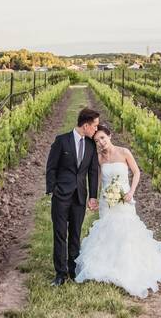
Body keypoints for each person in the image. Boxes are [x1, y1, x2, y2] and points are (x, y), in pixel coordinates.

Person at [73, 123, 161, 298]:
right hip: (108, 201)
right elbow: (98, 180)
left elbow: (137, 172)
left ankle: (129, 265)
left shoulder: (124, 152)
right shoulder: (99, 159)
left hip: (125, 199)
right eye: (96, 141)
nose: (100, 143)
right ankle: (108, 264)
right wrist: (96, 197)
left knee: (127, 231)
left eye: (102, 138)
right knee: (107, 231)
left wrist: (131, 192)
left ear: (109, 136)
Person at [45, 107, 100, 286]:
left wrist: (92, 196)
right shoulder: (61, 141)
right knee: (60, 234)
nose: (96, 130)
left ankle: (72, 269)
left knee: (75, 234)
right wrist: (53, 189)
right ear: (85, 125)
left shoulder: (91, 145)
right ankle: (60, 274)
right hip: (61, 196)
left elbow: (92, 172)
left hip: (79, 197)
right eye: (95, 126)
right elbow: (51, 167)